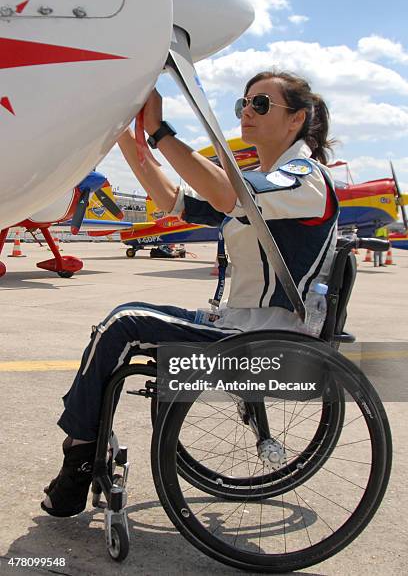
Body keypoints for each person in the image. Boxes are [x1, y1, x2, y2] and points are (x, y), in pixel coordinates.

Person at [41, 70, 339, 518]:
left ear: (297, 119)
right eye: (244, 104)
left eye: (261, 105)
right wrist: (129, 132)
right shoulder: (266, 180)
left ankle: (78, 458)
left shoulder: (302, 178)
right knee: (124, 317)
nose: (246, 113)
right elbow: (172, 200)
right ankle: (84, 447)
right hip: (240, 327)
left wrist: (161, 132)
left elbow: (223, 193)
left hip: (265, 338)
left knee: (121, 327)